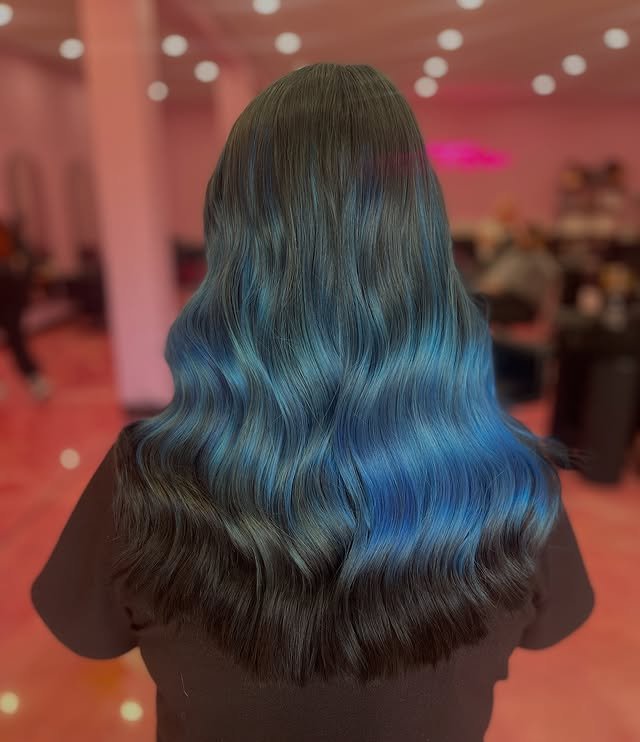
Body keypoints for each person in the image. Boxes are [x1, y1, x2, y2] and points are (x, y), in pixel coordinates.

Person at [31, 64, 594, 742]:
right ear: (420, 238)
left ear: (232, 240)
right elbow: (546, 628)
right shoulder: (514, 478)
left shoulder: (146, 476)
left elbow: (89, 637)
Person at [0, 218, 51, 400]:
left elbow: (29, 266)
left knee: (17, 342)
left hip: (12, 303)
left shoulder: (14, 245)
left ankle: (35, 380)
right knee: (17, 342)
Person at [472, 224, 561, 324]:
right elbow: (496, 274)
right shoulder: (514, 254)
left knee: (479, 308)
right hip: (503, 298)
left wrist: (539, 249)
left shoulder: (540, 257)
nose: (521, 238)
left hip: (523, 303)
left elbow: (553, 274)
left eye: (526, 236)